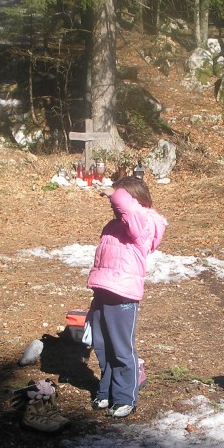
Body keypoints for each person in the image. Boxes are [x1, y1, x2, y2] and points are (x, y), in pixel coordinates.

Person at [86, 176, 167, 419]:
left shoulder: (145, 223)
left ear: (135, 200)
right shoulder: (113, 225)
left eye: (119, 199)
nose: (113, 204)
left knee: (121, 349)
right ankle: (107, 390)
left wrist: (114, 192)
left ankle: (125, 397)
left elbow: (130, 211)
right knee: (102, 345)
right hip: (103, 290)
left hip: (123, 294)